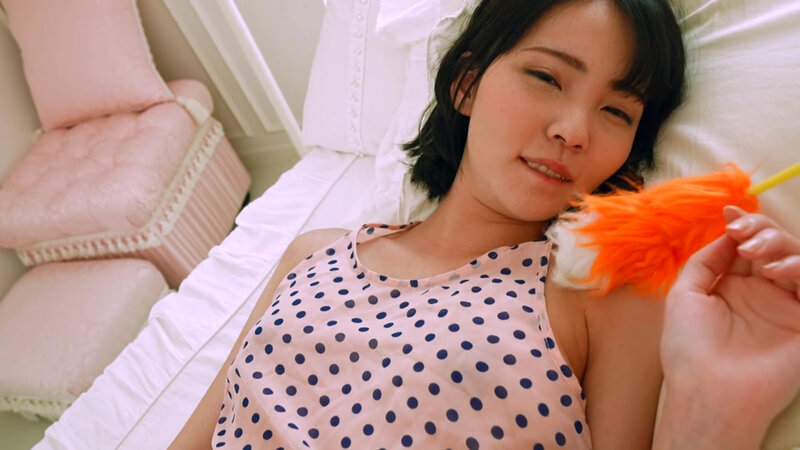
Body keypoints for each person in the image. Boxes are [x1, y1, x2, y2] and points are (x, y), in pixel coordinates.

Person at [169, 0, 800, 448]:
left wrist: (717, 409)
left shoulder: (601, 303)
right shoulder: (310, 254)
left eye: (617, 112)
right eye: (545, 77)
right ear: (466, 86)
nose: (574, 131)